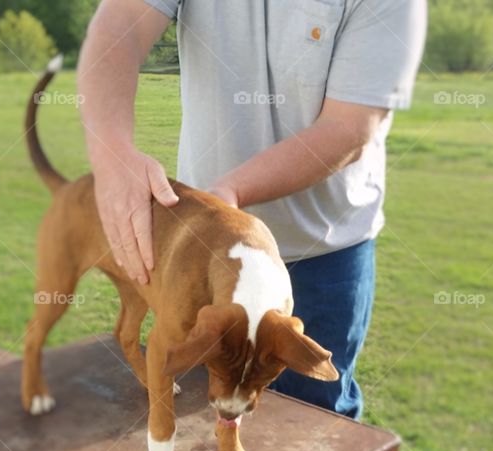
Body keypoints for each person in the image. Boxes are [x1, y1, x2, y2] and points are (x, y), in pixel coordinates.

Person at [77, 0, 427, 420]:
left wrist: (230, 194)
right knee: (192, 412)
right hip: (206, 256)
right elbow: (120, 25)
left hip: (322, 254)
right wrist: (112, 153)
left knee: (311, 431)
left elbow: (349, 127)